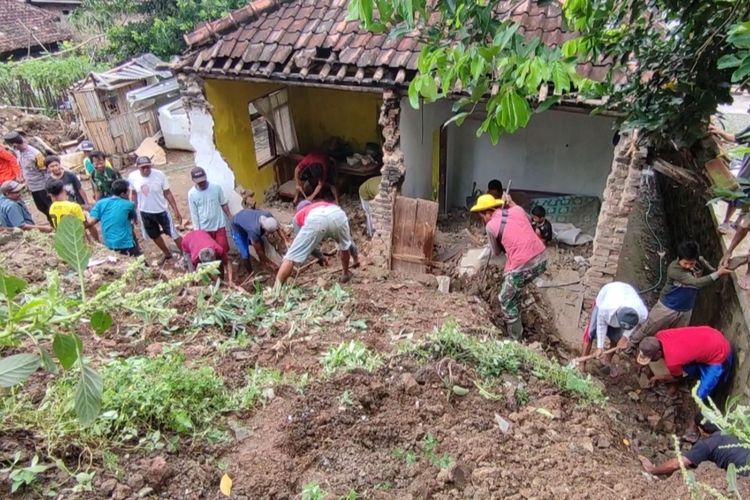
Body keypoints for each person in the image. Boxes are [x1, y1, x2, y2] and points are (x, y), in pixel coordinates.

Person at [625, 241, 731, 354]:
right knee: (650, 326)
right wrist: (718, 274)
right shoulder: (674, 270)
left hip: (686, 309)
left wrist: (715, 269)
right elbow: (695, 283)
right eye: (685, 263)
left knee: (677, 335)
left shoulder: (698, 261)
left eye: (691, 263)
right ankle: (632, 344)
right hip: (667, 306)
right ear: (678, 258)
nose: (688, 266)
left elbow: (704, 263)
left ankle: (667, 353)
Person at [471, 193, 547, 340]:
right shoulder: (516, 210)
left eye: (482, 216)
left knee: (505, 297)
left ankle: (515, 339)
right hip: (542, 258)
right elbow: (529, 221)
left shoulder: (490, 226)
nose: (483, 219)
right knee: (514, 290)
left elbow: (497, 252)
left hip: (524, 264)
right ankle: (518, 315)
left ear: (488, 212)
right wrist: (511, 202)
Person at [637, 326, 733, 402]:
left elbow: (678, 377)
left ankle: (707, 406)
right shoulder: (660, 335)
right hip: (711, 334)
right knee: (688, 367)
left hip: (720, 353)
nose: (652, 360)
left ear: (658, 353)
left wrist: (659, 377)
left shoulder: (673, 362)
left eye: (651, 358)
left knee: (701, 394)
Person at [276, 201, 359, 285]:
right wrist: (356, 259)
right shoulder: (322, 204)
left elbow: (306, 244)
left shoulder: (298, 215)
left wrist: (320, 256)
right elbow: (348, 242)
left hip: (316, 220)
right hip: (337, 213)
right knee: (344, 245)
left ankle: (276, 289)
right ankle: (345, 274)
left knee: (291, 257)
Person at [639, 413, 750, 476]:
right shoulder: (731, 433)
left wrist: (653, 470)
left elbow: (675, 464)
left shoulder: (707, 444)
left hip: (744, 475)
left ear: (701, 430)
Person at [581, 281, 647, 374]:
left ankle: (607, 362)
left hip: (627, 293)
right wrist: (600, 347)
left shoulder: (642, 313)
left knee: (617, 338)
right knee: (590, 332)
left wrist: (625, 337)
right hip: (607, 295)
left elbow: (634, 324)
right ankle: (582, 364)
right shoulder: (606, 308)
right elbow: (601, 324)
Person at [127, 156, 183, 264]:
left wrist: (176, 210)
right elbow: (133, 194)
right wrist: (133, 211)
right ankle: (167, 253)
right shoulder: (132, 177)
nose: (146, 170)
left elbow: (167, 193)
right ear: (137, 167)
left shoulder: (159, 175)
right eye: (143, 168)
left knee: (173, 233)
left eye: (148, 167)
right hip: (144, 212)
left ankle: (186, 253)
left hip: (162, 210)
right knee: (154, 235)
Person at [708, 123, 750, 234]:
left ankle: (738, 221)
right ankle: (726, 221)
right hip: (747, 168)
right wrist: (720, 131)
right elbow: (736, 138)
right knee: (737, 191)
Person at [4, 132, 50, 223]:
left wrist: (49, 188)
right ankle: (52, 222)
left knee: (49, 206)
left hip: (42, 186)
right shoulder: (18, 151)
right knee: (41, 207)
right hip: (32, 187)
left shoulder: (36, 154)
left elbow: (45, 172)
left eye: (12, 146)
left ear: (15, 144)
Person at [89, 179, 141, 256]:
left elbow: (92, 221)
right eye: (128, 191)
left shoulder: (100, 203)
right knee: (139, 261)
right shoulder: (129, 204)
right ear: (123, 194)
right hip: (125, 243)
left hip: (109, 244)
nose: (129, 193)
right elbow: (134, 220)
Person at [187, 167, 232, 255]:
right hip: (204, 228)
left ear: (206, 176)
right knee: (210, 252)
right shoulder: (192, 194)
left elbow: (223, 203)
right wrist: (197, 232)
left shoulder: (216, 187)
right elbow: (194, 214)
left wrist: (230, 217)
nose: (202, 183)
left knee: (222, 250)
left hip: (219, 225)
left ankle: (225, 265)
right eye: (199, 182)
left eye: (203, 180)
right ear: (193, 180)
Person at [231, 207, 283, 275]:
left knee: (260, 242)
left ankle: (263, 263)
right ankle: (251, 274)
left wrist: (285, 239)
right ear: (264, 228)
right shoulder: (254, 230)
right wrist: (271, 263)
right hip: (237, 228)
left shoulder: (268, 215)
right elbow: (259, 251)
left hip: (246, 217)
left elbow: (278, 228)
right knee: (245, 254)